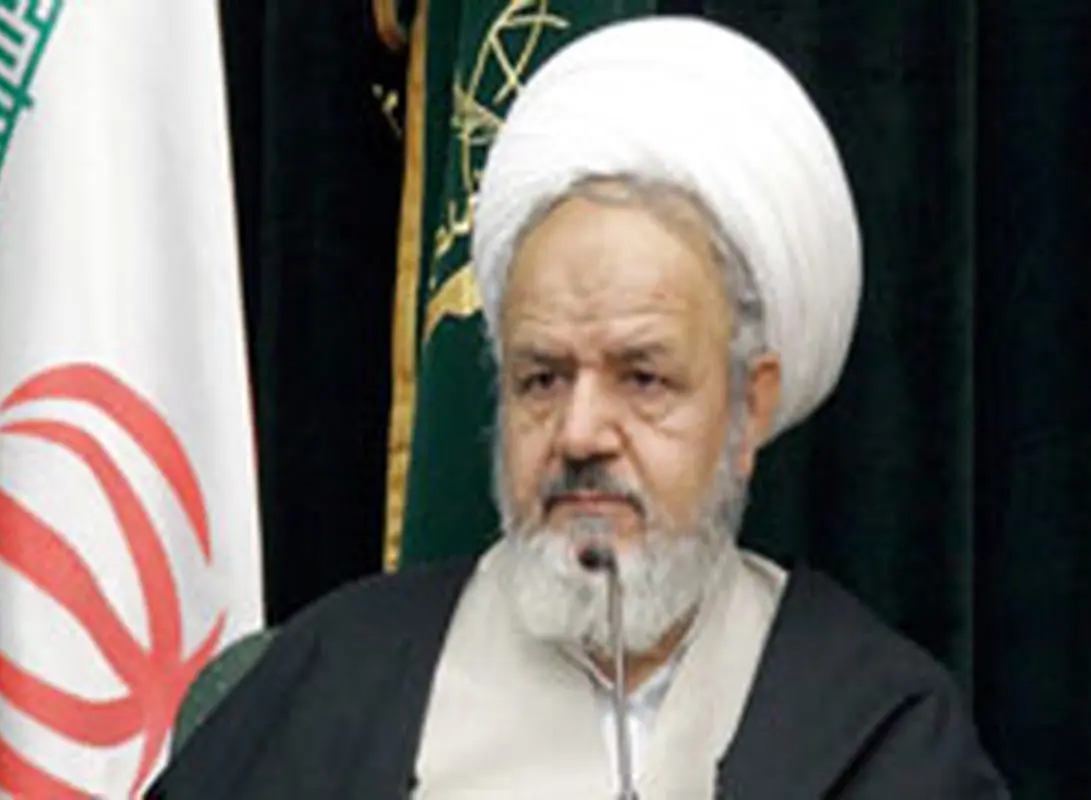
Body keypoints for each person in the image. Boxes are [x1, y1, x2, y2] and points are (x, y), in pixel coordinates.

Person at [149, 16, 1008, 799]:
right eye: (542, 378)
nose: (580, 432)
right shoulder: (338, 685)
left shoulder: (872, 729)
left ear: (748, 408)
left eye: (643, 378)